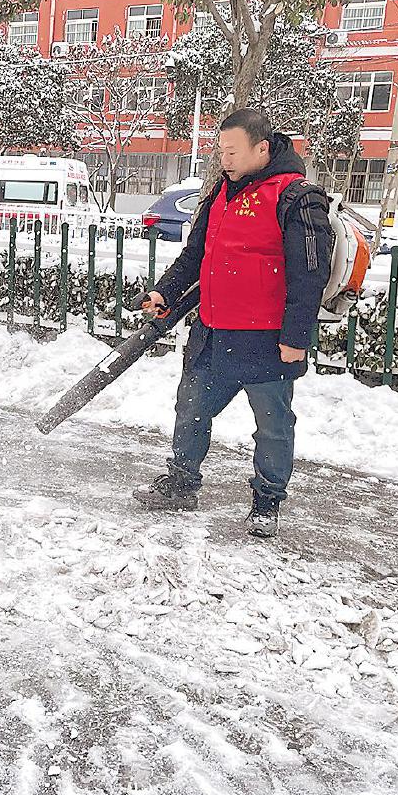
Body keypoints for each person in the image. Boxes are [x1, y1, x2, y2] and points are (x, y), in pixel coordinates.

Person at [133, 108, 334, 538]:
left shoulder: (297, 198)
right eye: (221, 151)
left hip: (267, 341)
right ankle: (181, 483)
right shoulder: (218, 195)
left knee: (273, 427)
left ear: (262, 149)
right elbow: (195, 256)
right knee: (191, 410)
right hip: (213, 332)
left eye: (232, 152)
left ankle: (267, 502)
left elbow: (309, 274)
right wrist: (164, 292)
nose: (225, 160)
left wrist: (296, 338)